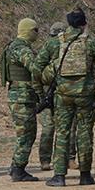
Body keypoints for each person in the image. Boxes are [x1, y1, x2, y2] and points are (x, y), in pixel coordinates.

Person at [42, 8, 95, 187]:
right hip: (85, 96)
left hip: (63, 96)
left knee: (62, 133)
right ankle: (85, 176)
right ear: (84, 24)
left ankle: (59, 176)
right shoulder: (92, 43)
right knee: (85, 133)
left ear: (68, 24)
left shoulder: (55, 43)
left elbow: (37, 66)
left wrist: (43, 84)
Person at [1, 18, 44, 182]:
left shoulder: (14, 46)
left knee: (26, 133)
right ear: (28, 31)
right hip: (22, 97)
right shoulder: (21, 49)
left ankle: (16, 167)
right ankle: (18, 169)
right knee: (26, 134)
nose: (37, 34)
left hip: (20, 96)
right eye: (35, 30)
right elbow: (35, 68)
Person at [36, 22, 69, 171]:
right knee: (54, 128)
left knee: (57, 128)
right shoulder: (50, 46)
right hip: (50, 91)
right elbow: (37, 68)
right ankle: (48, 160)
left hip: (62, 91)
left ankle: (57, 160)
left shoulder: (70, 46)